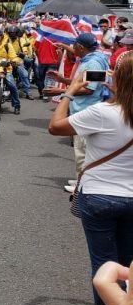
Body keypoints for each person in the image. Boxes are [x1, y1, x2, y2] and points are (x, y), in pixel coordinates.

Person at [48, 57, 133, 305]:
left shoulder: (103, 112)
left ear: (117, 80)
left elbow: (56, 126)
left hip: (99, 196)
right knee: (126, 264)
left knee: (104, 266)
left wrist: (70, 91)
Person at [45, 33, 110, 195]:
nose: (73, 49)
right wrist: (64, 79)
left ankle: (82, 186)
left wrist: (60, 91)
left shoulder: (94, 63)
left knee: (83, 151)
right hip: (84, 110)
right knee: (82, 150)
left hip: (86, 111)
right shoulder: (94, 59)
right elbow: (82, 83)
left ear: (81, 47)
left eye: (74, 46)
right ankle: (80, 178)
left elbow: (89, 89)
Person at [0, 27, 22, 114]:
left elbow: (13, 57)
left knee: (11, 85)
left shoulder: (7, 45)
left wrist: (14, 61)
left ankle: (16, 105)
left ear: (2, 36)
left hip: (6, 69)